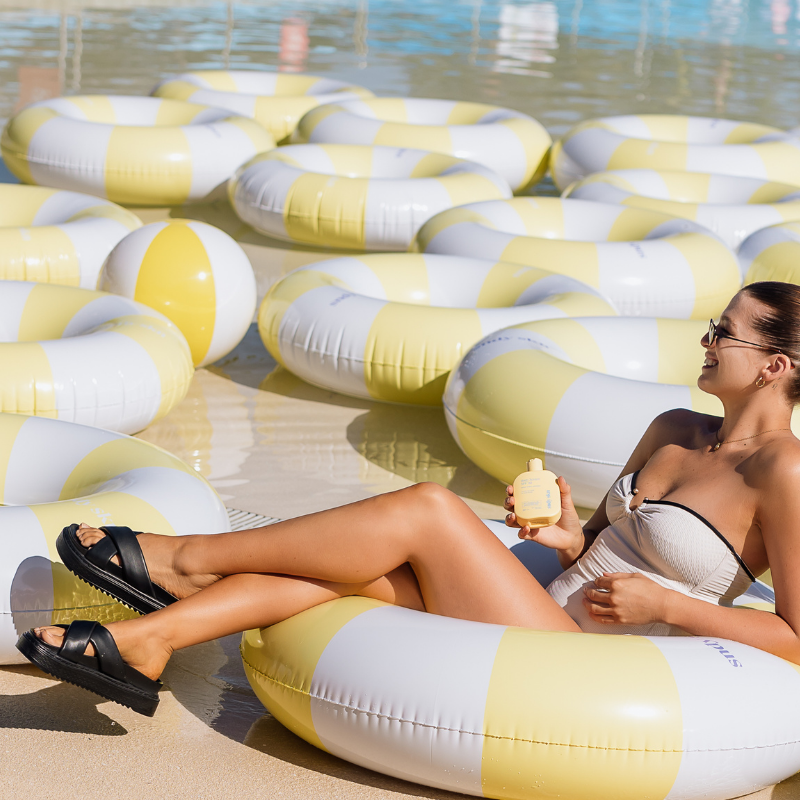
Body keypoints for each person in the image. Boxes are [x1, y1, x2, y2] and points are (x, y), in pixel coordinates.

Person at [17, 281, 800, 716]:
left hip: (590, 666)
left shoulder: (784, 474)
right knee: (347, 568)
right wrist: (563, 532)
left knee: (429, 506)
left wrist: (678, 611)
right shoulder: (673, 427)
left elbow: (797, 635)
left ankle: (184, 559)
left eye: (723, 334)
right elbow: (592, 541)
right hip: (533, 604)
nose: (705, 341)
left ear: (774, 365)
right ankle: (150, 645)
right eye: (709, 325)